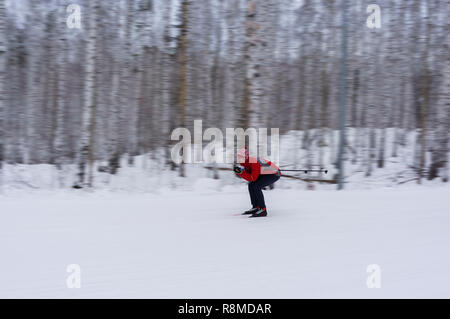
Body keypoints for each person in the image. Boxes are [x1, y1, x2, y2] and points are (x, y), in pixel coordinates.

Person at [233, 148, 281, 217]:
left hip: (274, 174)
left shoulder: (253, 161)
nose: (239, 158)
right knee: (251, 185)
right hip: (265, 173)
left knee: (256, 186)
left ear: (245, 157)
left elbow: (253, 178)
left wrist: (241, 172)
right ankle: (256, 207)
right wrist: (241, 171)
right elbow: (250, 176)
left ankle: (263, 209)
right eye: (238, 156)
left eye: (241, 157)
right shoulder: (244, 163)